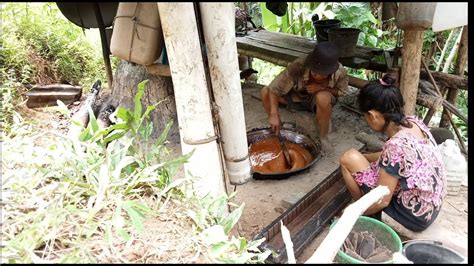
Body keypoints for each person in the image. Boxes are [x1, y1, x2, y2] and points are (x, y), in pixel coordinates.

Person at [339, 74, 447, 232]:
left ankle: (363, 212)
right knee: (361, 159)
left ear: (373, 115)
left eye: (365, 117)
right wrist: (365, 158)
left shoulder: (395, 145)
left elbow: (382, 200)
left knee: (347, 158)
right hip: (430, 206)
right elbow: (394, 159)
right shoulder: (413, 123)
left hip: (411, 216)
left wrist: (352, 213)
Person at [260, 41, 349, 154]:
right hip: (297, 98)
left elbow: (342, 92)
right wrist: (274, 114)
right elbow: (274, 88)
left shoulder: (340, 72)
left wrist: (322, 87)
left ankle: (323, 137)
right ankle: (278, 130)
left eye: (325, 74)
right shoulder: (299, 65)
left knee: (323, 97)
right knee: (265, 92)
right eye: (317, 72)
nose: (321, 76)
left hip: (317, 103)